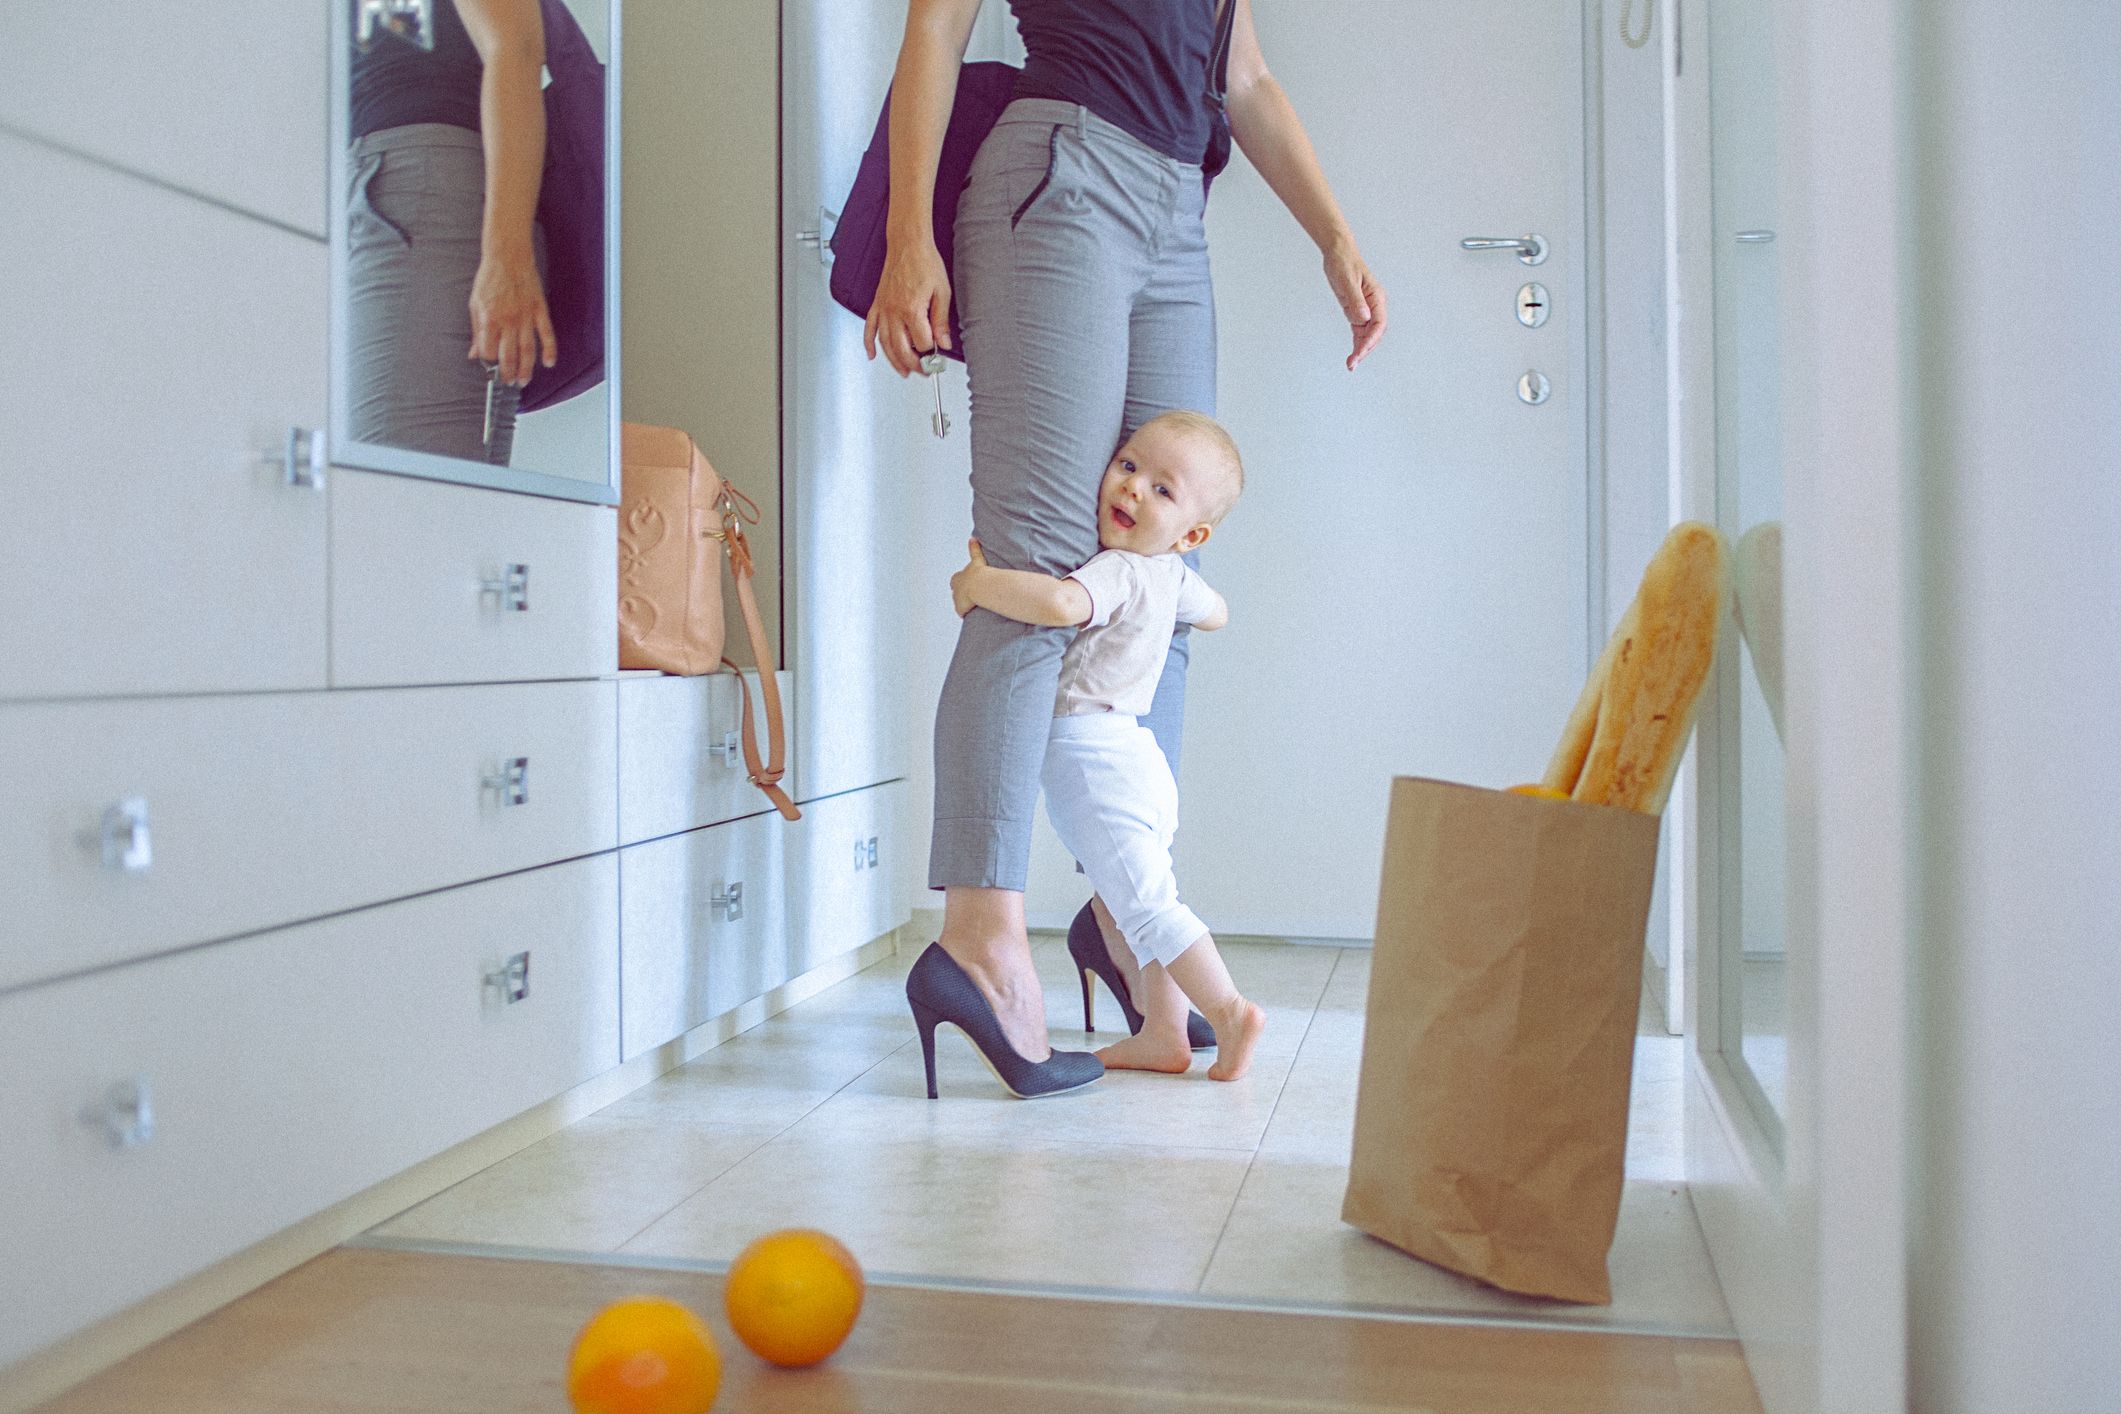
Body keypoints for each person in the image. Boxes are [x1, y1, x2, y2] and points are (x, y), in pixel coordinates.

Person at [874, 0, 1386, 1096]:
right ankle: (980, 936)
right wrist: (908, 234)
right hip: (1063, 173)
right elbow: (934, 27)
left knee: (1161, 572)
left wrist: (1334, 233)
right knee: (1041, 569)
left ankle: (1130, 917)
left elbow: (1242, 80)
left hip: (1176, 210)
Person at [945, 414, 1267, 1089]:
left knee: (1148, 905)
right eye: (1127, 466)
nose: (1132, 491)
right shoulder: (1174, 575)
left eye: (1162, 490)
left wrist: (977, 583)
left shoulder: (1121, 569)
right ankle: (1163, 1034)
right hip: (1133, 756)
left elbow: (1062, 603)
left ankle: (1231, 1012)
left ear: (1192, 532)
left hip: (1093, 758)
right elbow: (1218, 613)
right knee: (1139, 901)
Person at [346, 0, 556, 465]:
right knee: (433, 498)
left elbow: (516, 47)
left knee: (397, 495)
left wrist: (507, 257)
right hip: (402, 190)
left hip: (422, 193)